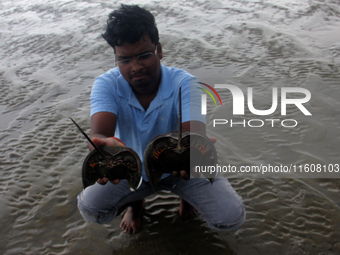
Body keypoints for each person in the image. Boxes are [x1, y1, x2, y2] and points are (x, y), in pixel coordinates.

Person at [77, 4, 245, 234]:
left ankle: (186, 198)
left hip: (178, 164)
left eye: (144, 56)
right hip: (130, 166)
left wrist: (195, 150)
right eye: (124, 59)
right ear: (116, 58)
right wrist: (101, 147)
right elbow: (98, 134)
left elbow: (193, 133)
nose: (135, 67)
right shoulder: (106, 84)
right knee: (92, 208)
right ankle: (136, 204)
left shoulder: (185, 83)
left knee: (230, 217)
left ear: (159, 50)